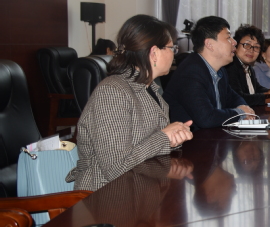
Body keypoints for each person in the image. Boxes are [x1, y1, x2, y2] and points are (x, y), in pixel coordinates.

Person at [66, 15, 193, 191]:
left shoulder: (150, 89)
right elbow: (116, 168)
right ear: (154, 53)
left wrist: (173, 137)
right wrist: (164, 137)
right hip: (106, 196)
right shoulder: (112, 92)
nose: (174, 54)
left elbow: (146, 144)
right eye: (172, 48)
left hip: (141, 187)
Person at [164, 16, 256, 129]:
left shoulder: (220, 70)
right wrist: (240, 113)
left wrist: (243, 107)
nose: (234, 42)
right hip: (191, 138)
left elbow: (234, 97)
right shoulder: (191, 72)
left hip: (212, 136)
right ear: (209, 44)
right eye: (228, 38)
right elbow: (207, 118)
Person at [225, 25, 270, 106]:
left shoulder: (248, 67)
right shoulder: (230, 67)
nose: (251, 50)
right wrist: (269, 96)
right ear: (236, 46)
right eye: (247, 45)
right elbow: (238, 98)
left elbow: (256, 89)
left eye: (256, 47)